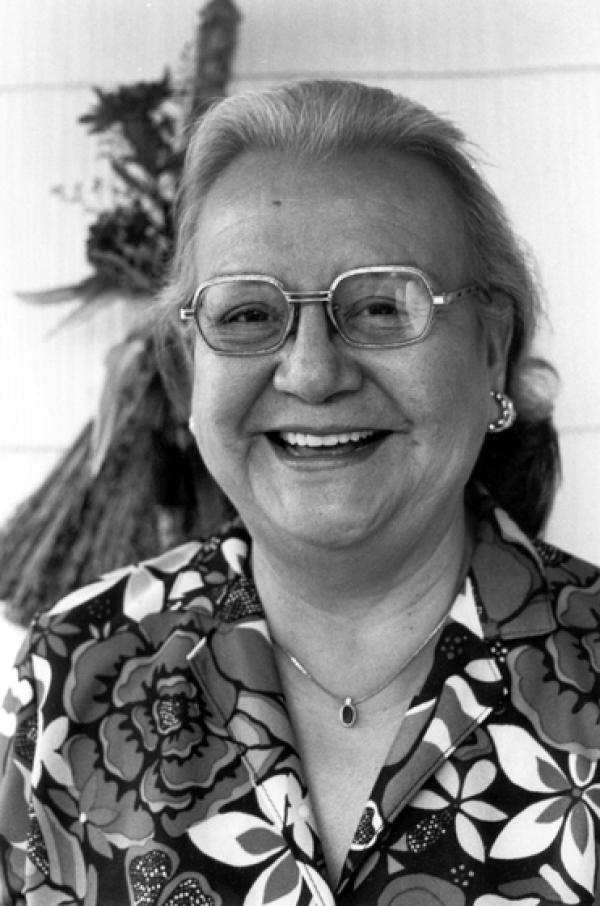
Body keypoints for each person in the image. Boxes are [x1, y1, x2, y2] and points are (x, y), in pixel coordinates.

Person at [1, 79, 599, 906]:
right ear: (189, 370)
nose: (313, 372)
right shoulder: (75, 674)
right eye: (248, 315)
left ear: (491, 352)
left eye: (383, 307)